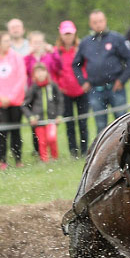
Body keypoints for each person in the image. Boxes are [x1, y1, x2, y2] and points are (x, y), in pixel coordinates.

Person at [73, 10, 130, 137]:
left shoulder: (117, 39)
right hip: (95, 90)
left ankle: (125, 149)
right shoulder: (85, 43)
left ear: (105, 21)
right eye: (95, 22)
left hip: (116, 88)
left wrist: (122, 80)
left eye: (100, 21)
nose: (98, 25)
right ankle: (102, 153)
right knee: (101, 125)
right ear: (90, 24)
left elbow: (129, 61)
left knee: (122, 122)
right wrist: (82, 82)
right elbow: (76, 64)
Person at [50, 20, 89, 157]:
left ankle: (85, 151)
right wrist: (59, 87)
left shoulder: (80, 49)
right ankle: (74, 152)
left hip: (81, 90)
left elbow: (85, 66)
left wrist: (85, 82)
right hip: (65, 93)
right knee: (69, 123)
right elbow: (53, 72)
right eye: (65, 34)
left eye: (70, 34)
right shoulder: (56, 52)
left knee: (83, 122)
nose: (68, 37)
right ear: (61, 35)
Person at [0, 31, 28, 169]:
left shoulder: (17, 57)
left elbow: (21, 77)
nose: (9, 43)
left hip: (16, 100)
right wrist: (1, 97)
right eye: (6, 41)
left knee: (15, 131)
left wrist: (11, 97)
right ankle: (3, 161)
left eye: (9, 40)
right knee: (3, 131)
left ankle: (18, 160)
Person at [22, 63, 64, 162]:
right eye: (38, 72)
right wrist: (31, 117)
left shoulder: (53, 86)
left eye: (42, 71)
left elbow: (60, 100)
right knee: (42, 142)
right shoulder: (33, 88)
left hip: (52, 119)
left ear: (46, 72)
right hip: (39, 121)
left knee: (52, 138)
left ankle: (55, 158)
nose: (40, 74)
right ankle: (44, 160)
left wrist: (59, 115)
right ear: (34, 75)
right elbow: (24, 105)